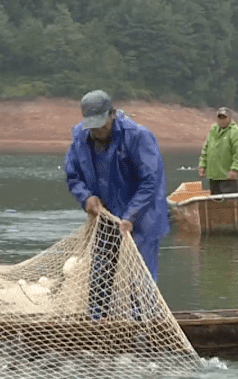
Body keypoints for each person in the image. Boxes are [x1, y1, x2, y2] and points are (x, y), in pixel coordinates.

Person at [64, 90, 170, 317]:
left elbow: (150, 182)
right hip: (106, 214)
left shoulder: (137, 135)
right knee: (100, 272)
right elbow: (73, 176)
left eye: (101, 125)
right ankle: (97, 322)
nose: (97, 131)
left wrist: (130, 216)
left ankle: (142, 324)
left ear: (113, 114)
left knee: (139, 277)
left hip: (143, 216)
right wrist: (86, 197)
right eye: (92, 126)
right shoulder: (80, 137)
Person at [198, 107, 238, 194]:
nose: (222, 120)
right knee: (215, 204)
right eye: (219, 118)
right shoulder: (213, 131)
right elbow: (206, 149)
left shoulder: (236, 132)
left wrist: (234, 169)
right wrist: (202, 165)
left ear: (230, 118)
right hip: (213, 176)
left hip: (228, 177)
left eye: (224, 117)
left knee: (229, 204)